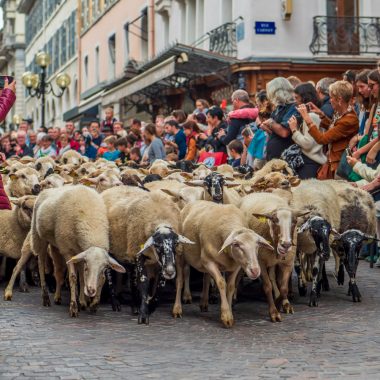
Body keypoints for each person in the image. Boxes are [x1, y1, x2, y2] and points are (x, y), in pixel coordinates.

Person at [298, 80, 359, 179]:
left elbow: (322, 139)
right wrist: (321, 114)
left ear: (339, 99)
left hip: (339, 164)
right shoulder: (341, 113)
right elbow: (334, 128)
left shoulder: (349, 120)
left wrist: (307, 119)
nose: (330, 100)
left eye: (331, 97)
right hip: (333, 160)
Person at [287, 83, 326, 179]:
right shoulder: (310, 115)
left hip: (310, 163)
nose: (295, 102)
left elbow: (307, 144)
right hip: (309, 162)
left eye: (297, 98)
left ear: (305, 98)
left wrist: (294, 130)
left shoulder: (311, 116)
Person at [261, 77, 299, 160]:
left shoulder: (293, 107)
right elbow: (274, 132)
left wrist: (270, 122)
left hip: (284, 157)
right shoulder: (279, 107)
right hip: (273, 156)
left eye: (271, 93)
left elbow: (284, 132)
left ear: (278, 92)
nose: (270, 97)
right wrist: (266, 127)